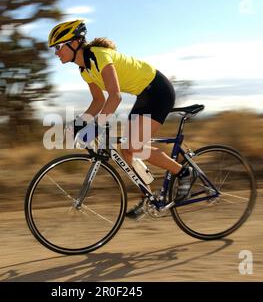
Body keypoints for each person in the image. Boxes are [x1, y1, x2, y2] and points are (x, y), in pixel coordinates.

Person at [48, 19, 193, 220]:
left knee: (135, 145)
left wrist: (96, 126)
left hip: (158, 90)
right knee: (127, 150)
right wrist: (78, 123)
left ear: (74, 43)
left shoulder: (99, 56)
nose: (56, 52)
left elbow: (115, 97)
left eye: (58, 47)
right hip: (143, 95)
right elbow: (98, 101)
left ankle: (183, 172)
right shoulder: (84, 70)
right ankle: (148, 198)